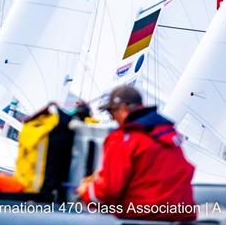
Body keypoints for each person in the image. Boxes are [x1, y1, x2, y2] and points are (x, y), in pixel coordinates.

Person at [77, 85, 196, 221]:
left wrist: (86, 190)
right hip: (180, 213)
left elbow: (108, 191)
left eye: (112, 112)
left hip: (144, 214)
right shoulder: (167, 132)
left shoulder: (123, 138)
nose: (112, 118)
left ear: (123, 109)